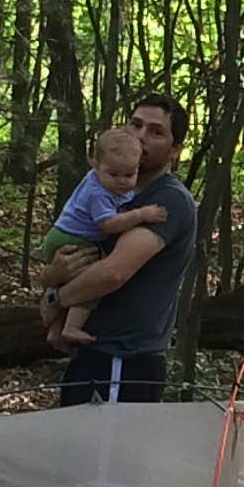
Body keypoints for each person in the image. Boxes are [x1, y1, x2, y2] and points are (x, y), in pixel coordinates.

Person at [38, 92, 197, 405]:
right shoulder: (109, 190)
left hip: (124, 359)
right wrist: (51, 276)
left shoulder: (168, 200)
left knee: (108, 440)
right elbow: (74, 251)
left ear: (175, 151)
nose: (140, 136)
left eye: (156, 132)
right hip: (92, 353)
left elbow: (113, 273)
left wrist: (57, 299)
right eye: (135, 124)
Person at [36, 125, 168, 353]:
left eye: (129, 175)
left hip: (63, 235)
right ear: (95, 167)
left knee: (67, 283)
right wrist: (140, 214)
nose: (122, 181)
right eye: (114, 175)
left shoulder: (108, 184)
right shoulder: (97, 192)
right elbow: (108, 224)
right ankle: (72, 327)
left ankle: (56, 331)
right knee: (90, 281)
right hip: (73, 237)